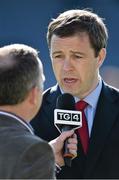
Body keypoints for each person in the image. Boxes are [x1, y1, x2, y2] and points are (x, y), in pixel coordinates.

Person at [31, 9, 119, 179]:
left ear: (99, 57)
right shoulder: (31, 115)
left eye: (77, 56)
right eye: (58, 56)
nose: (66, 67)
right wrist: (48, 164)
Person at [0, 44, 77, 179]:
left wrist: (47, 162)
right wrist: (39, 157)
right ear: (33, 94)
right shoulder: (33, 151)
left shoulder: (35, 154)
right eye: (41, 84)